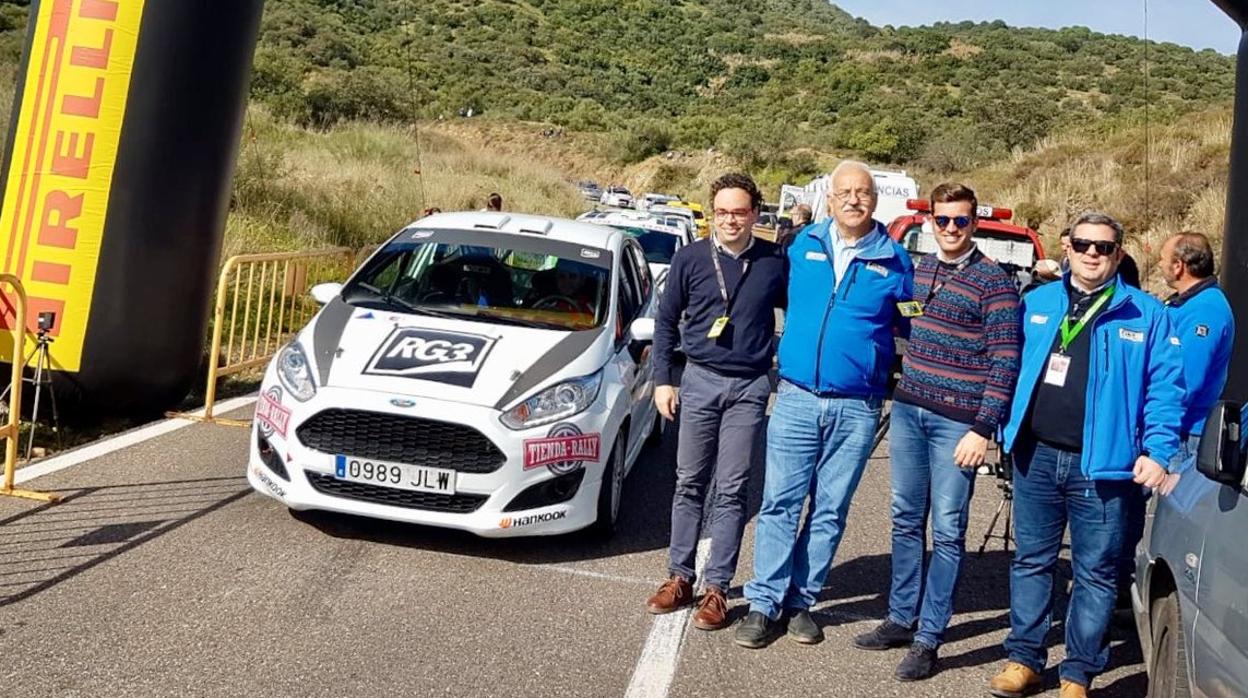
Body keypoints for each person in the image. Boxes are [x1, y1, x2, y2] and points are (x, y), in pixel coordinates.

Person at [988, 212, 1184, 698]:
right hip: (1035, 456)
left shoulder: (1147, 315)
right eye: (1083, 245)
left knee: (1095, 573)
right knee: (1031, 561)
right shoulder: (1036, 303)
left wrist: (1158, 452)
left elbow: (1166, 391)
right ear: (1066, 247)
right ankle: (1024, 659)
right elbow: (1008, 371)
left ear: (1119, 254)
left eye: (1104, 247)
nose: (1092, 254)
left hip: (1104, 468)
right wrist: (997, 429)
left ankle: (1077, 674)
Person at [736, 160, 913, 649]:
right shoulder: (802, 247)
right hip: (794, 397)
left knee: (830, 509)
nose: (854, 200)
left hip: (857, 407)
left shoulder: (896, 261)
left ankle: (802, 601)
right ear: (829, 199)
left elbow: (911, 330)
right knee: (779, 503)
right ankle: (763, 602)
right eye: (845, 192)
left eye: (863, 192)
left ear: (875, 201)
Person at [852, 183, 1020, 681]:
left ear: (974, 225)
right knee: (906, 518)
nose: (950, 229)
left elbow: (1005, 360)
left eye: (960, 221)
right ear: (931, 222)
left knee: (947, 529)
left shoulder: (995, 282)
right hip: (909, 410)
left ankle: (929, 637)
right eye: (942, 220)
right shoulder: (917, 270)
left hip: (957, 424)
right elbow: (903, 327)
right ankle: (902, 618)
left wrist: (982, 428)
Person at [647, 173, 788, 631]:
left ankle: (717, 589)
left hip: (749, 387)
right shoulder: (689, 258)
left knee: (731, 489)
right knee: (689, 481)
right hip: (699, 380)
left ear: (755, 214)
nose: (730, 220)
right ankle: (679, 577)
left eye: (740, 211)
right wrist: (663, 381)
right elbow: (666, 322)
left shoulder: (773, 261)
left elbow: (801, 315)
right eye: (722, 211)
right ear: (712, 213)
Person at [1115, 231, 1235, 602]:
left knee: (1162, 521)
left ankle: (1143, 594)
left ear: (1180, 265)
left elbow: (1186, 380)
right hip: (1168, 430)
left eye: (1165, 258)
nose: (1162, 265)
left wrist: (1159, 436)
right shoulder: (1182, 304)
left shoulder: (1208, 310)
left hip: (1183, 436)